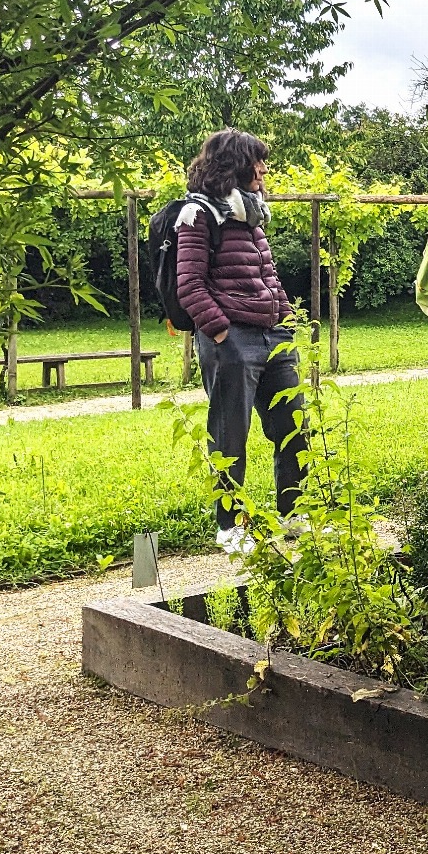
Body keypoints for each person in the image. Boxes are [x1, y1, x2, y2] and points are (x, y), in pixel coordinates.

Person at [174, 129, 308, 552]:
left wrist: (288, 320)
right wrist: (220, 332)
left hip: (273, 338)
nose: (264, 169)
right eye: (257, 161)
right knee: (230, 435)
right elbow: (189, 285)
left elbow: (269, 276)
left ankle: (295, 515)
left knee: (294, 428)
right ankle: (230, 527)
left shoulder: (251, 217)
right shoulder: (198, 215)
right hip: (231, 341)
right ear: (233, 164)